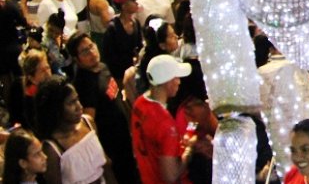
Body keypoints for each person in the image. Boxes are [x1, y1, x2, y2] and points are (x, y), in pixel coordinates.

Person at [67, 32, 140, 184]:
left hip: (124, 139)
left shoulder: (103, 67)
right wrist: (102, 154)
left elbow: (117, 96)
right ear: (76, 59)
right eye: (85, 51)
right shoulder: (83, 83)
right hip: (110, 146)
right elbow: (88, 123)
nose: (92, 52)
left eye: (91, 46)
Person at [33, 76, 116, 184]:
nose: (79, 106)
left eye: (77, 99)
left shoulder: (88, 122)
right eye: (71, 103)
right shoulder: (51, 149)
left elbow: (106, 166)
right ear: (56, 109)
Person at [131, 55, 195, 184]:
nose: (179, 82)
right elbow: (170, 176)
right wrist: (189, 150)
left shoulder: (139, 104)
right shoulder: (165, 123)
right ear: (167, 81)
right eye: (176, 77)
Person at [101, 0, 142, 89]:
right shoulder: (113, 28)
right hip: (118, 76)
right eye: (133, 1)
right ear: (123, 6)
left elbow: (140, 46)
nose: (136, 3)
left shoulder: (136, 23)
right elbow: (108, 56)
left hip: (133, 73)